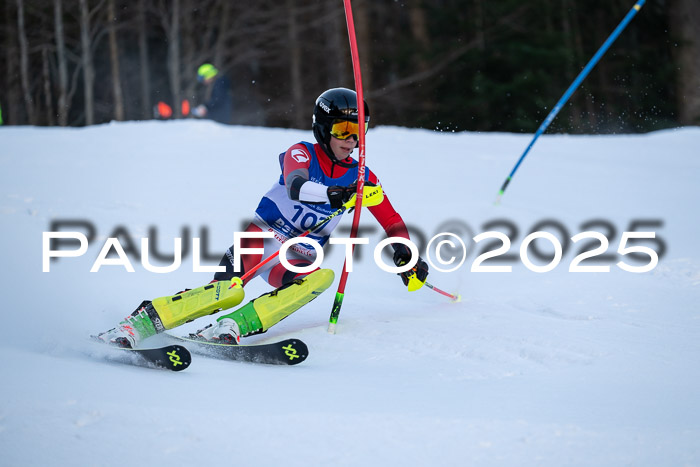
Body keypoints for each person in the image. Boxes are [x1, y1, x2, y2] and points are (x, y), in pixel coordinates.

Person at [97, 88, 429, 348]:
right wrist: (333, 195)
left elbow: (392, 220)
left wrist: (406, 253)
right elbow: (297, 185)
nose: (352, 140)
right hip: (262, 238)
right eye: (343, 129)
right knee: (228, 291)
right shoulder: (302, 152)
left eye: (360, 131)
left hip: (298, 254)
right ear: (323, 129)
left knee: (320, 279)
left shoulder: (362, 176)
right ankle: (140, 322)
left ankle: (234, 325)